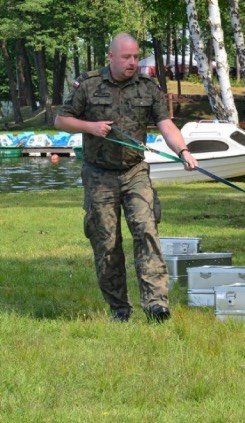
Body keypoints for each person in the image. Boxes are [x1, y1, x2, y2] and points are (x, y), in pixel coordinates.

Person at [55, 33, 198, 322]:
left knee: (146, 231)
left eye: (135, 57)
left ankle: (156, 305)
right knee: (106, 242)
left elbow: (166, 124)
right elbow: (61, 120)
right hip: (99, 175)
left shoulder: (148, 88)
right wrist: (90, 127)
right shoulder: (89, 83)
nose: (133, 62)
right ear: (111, 57)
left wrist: (183, 150)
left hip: (135, 173)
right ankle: (119, 309)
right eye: (126, 57)